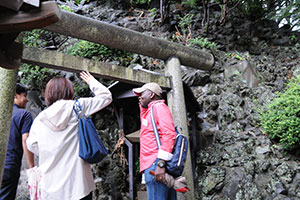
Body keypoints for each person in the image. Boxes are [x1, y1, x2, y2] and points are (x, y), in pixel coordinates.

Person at [26, 71, 112, 200]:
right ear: (69, 91)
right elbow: (106, 97)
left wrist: (50, 151)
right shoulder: (78, 106)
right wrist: (91, 81)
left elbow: (31, 144)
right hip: (79, 184)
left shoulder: (40, 119)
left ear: (48, 94)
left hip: (51, 187)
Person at [132, 82, 177, 200]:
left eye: (142, 93)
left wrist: (161, 164)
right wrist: (142, 106)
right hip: (154, 165)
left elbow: (169, 134)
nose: (139, 96)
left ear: (151, 94)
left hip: (156, 164)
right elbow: (146, 123)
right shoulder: (151, 110)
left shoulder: (159, 107)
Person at [0, 83, 34, 200]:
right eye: (24, 95)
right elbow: (26, 140)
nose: (27, 100)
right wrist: (32, 168)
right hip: (9, 165)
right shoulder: (24, 115)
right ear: (15, 96)